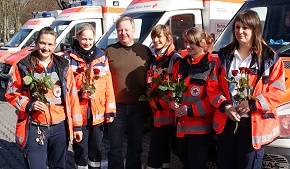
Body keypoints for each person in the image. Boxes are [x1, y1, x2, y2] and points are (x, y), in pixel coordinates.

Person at [207, 10, 286, 169]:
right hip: (227, 122)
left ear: (255, 29)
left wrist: (251, 104)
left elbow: (277, 92)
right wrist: (225, 106)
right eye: (237, 27)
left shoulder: (270, 58)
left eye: (245, 28)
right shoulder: (224, 55)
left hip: (254, 125)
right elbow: (212, 87)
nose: (240, 32)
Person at [5, 26, 83, 169]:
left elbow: (72, 97)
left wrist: (77, 127)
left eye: (49, 44)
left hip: (60, 127)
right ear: (36, 43)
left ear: (54, 45)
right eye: (42, 43)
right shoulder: (23, 66)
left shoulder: (63, 66)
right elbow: (11, 93)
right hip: (35, 126)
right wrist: (29, 105)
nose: (45, 48)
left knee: (58, 166)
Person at [62, 23, 116, 169]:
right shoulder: (67, 58)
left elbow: (108, 85)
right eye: (84, 38)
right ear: (77, 37)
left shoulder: (101, 57)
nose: (87, 42)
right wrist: (80, 94)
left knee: (96, 150)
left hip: (97, 112)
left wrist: (110, 110)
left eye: (90, 39)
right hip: (79, 112)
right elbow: (64, 87)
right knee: (81, 150)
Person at [104, 16, 152, 169]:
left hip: (138, 107)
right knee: (115, 148)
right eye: (120, 30)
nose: (123, 33)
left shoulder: (144, 51)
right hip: (116, 108)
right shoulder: (109, 51)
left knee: (136, 147)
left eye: (126, 30)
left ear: (133, 30)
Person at [169, 27, 216, 169]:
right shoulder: (181, 64)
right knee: (185, 164)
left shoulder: (211, 66)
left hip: (199, 130)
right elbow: (173, 88)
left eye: (191, 43)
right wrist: (172, 101)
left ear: (202, 44)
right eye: (185, 42)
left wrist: (190, 110)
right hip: (181, 127)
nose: (187, 46)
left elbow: (212, 98)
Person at [145, 24, 182, 169]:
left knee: (156, 149)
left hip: (167, 113)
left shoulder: (174, 59)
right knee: (163, 150)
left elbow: (176, 88)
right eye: (153, 36)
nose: (156, 40)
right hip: (156, 111)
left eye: (159, 36)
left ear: (168, 37)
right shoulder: (155, 57)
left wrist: (160, 104)